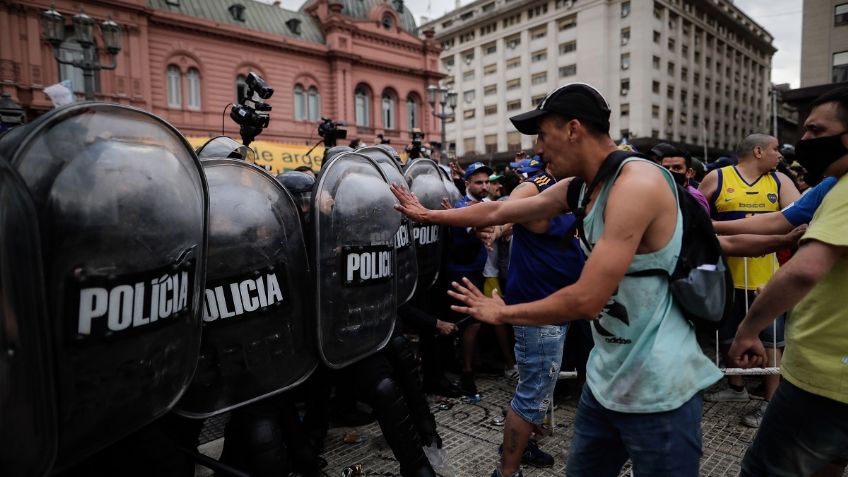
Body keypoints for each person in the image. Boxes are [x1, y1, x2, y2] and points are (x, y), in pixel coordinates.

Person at [391, 82, 722, 477]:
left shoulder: (636, 185)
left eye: (543, 136)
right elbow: (498, 211)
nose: (539, 150)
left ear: (573, 129)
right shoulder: (582, 188)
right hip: (606, 379)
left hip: (659, 388)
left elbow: (587, 299)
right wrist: (430, 216)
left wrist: (503, 313)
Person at [728, 86, 848, 477]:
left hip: (825, 378)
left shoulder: (845, 190)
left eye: (816, 130)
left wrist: (748, 330)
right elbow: (781, 222)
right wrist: (705, 226)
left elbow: (804, 270)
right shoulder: (831, 186)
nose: (804, 140)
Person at [484, 159, 586, 477]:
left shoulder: (576, 188)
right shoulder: (536, 184)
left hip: (559, 305)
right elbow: (509, 211)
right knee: (533, 391)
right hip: (538, 309)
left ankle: (524, 441)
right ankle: (509, 468)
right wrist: (495, 229)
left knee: (539, 387)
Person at [698, 133, 800, 427]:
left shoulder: (780, 181)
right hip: (726, 276)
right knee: (728, 335)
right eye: (775, 149)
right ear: (758, 151)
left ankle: (770, 401)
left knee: (771, 341)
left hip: (767, 277)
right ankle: (736, 387)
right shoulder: (717, 177)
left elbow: (799, 217)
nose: (779, 155)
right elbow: (696, 218)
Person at [446, 161, 493, 396]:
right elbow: (470, 226)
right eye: (479, 182)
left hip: (477, 271)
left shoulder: (484, 203)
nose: (485, 186)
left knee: (476, 322)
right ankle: (466, 373)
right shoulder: (462, 206)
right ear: (467, 184)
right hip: (462, 273)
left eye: (487, 182)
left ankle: (471, 363)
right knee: (471, 323)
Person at [651, 142, 710, 213]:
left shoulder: (694, 198)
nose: (670, 171)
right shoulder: (657, 192)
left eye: (677, 168)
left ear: (689, 173)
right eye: (666, 168)